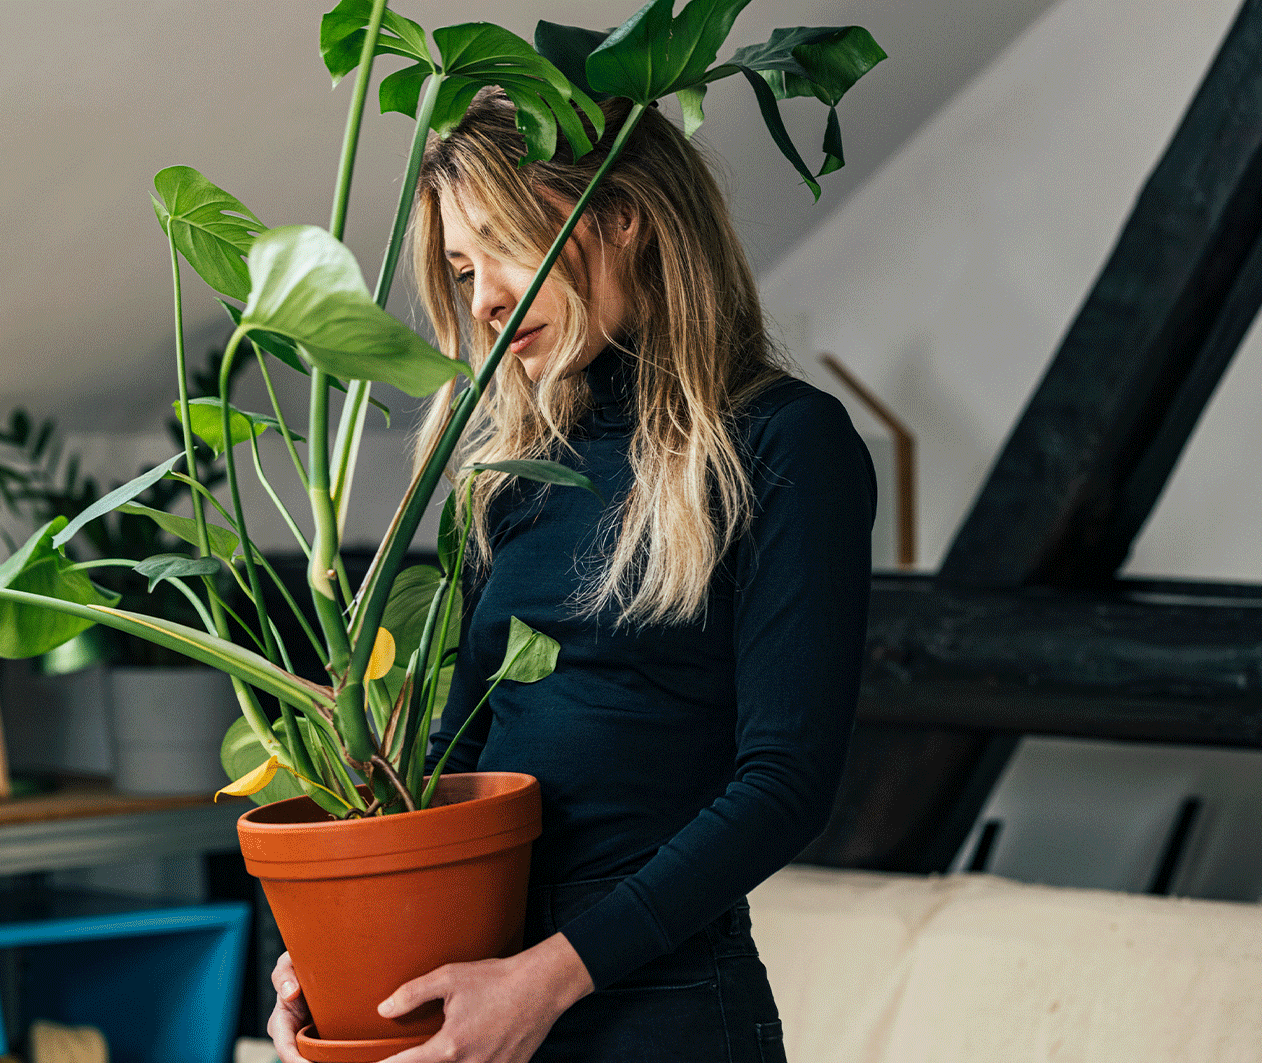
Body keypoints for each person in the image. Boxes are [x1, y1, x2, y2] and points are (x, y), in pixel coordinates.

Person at [269, 87, 875, 1063]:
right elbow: (449, 754)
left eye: (500, 248)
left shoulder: (785, 443)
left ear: (620, 215)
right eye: (459, 270)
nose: (482, 301)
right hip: (476, 993)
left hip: (661, 1004)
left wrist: (542, 981)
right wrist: (338, 949)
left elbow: (787, 784)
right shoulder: (505, 469)